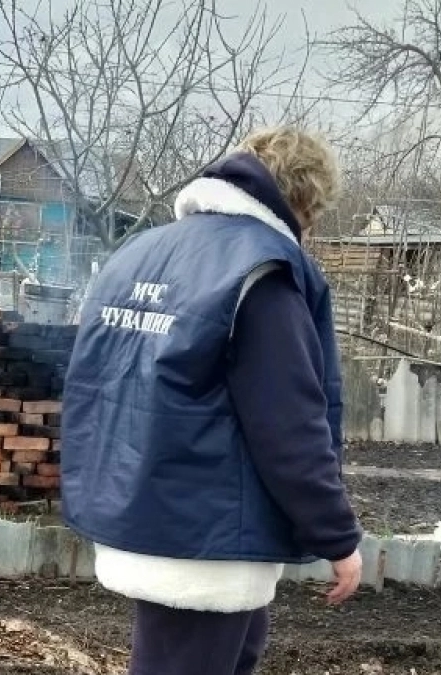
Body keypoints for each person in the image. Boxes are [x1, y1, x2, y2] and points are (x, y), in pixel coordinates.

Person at [60, 126, 364, 675]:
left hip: (148, 509)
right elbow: (288, 423)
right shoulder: (260, 272)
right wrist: (337, 537)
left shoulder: (143, 252)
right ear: (302, 200)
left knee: (226, 653)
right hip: (208, 533)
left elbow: (92, 385)